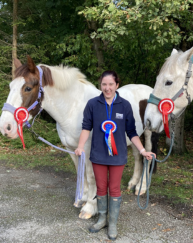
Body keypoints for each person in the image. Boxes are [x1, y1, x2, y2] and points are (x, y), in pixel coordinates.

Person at [75, 71, 156, 240]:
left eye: (111, 84)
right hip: (98, 155)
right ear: (101, 85)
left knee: (114, 189)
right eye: (104, 84)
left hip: (117, 157)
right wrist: (80, 146)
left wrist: (142, 151)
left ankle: (112, 223)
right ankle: (103, 219)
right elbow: (85, 128)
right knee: (101, 188)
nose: (107, 88)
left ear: (117, 85)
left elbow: (132, 132)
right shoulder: (92, 104)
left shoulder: (125, 105)